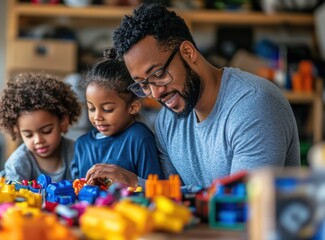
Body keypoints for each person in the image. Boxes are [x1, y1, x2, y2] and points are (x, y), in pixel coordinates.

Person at [90, 4, 300, 188]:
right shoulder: (168, 120)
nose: (155, 93)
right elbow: (174, 199)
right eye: (143, 84)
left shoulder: (254, 105)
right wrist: (133, 184)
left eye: (159, 74)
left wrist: (139, 184)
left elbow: (244, 207)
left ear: (188, 53)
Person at [71, 48, 164, 188]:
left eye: (108, 109)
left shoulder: (140, 139)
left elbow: (155, 189)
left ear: (133, 107)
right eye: (91, 108)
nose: (97, 117)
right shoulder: (82, 145)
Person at [0, 72, 81, 182]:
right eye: (28, 135)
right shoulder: (17, 164)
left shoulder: (79, 153)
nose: (38, 140)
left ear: (63, 123)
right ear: (17, 131)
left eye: (47, 131)